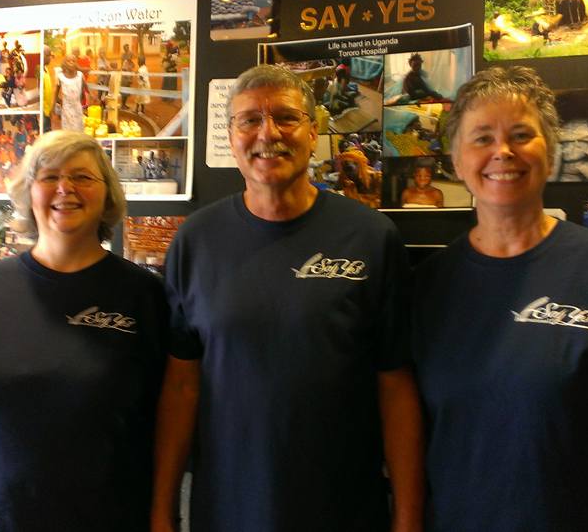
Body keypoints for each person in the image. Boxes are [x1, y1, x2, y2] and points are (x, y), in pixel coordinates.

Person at [413, 66, 588, 532]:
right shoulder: (429, 284)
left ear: (550, 151)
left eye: (521, 135)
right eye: (482, 138)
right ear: (455, 161)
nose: (503, 151)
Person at [152, 64, 423, 532]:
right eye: (249, 120)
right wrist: (162, 511)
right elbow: (181, 386)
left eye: (286, 117)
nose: (268, 133)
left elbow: (396, 387)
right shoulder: (195, 241)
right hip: (229, 508)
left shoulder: (371, 237)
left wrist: (408, 518)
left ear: (313, 131)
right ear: (231, 136)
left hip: (345, 510)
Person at [0, 130, 169, 532]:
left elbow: (169, 423)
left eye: (82, 177)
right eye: (50, 176)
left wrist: (163, 516)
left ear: (108, 195)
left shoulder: (144, 297)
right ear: (29, 192)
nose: (65, 188)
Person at [55, 56, 85, 132]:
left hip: (77, 107)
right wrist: (54, 105)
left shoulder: (80, 75)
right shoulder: (60, 76)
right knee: (67, 129)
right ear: (65, 63)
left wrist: (90, 95)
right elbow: (56, 91)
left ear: (76, 63)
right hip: (66, 108)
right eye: (69, 61)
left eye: (73, 61)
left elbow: (83, 88)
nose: (71, 62)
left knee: (78, 128)